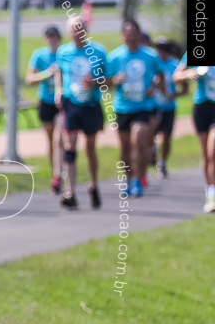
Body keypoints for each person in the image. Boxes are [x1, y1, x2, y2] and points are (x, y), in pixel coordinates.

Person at [53, 15, 107, 209]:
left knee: (90, 148)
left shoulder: (98, 52)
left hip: (91, 105)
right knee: (70, 147)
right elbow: (58, 71)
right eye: (74, 29)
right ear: (68, 32)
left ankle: (93, 184)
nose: (77, 33)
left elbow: (108, 81)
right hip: (71, 104)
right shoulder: (63, 52)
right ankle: (71, 191)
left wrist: (95, 83)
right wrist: (58, 91)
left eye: (80, 28)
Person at [107, 18, 164, 197]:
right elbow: (106, 82)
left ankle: (140, 178)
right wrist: (116, 80)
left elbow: (161, 76)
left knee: (138, 140)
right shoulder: (115, 57)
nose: (130, 37)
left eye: (134, 34)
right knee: (125, 147)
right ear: (123, 36)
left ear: (139, 35)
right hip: (123, 107)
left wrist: (154, 88)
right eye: (127, 34)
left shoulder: (150, 56)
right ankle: (128, 179)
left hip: (144, 105)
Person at [173, 52, 215, 213]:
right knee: (206, 153)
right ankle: (210, 192)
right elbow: (176, 76)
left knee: (213, 151)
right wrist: (191, 73)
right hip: (203, 106)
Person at [26, 26, 64, 194]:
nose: (51, 39)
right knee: (51, 141)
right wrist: (47, 74)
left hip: (62, 103)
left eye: (54, 36)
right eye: (48, 36)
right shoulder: (39, 55)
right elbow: (30, 79)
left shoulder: (65, 54)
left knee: (59, 139)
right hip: (45, 101)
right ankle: (55, 173)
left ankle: (59, 173)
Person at [153, 38, 187, 179]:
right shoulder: (152, 63)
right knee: (150, 134)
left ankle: (162, 162)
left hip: (168, 106)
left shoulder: (174, 65)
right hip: (153, 106)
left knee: (166, 137)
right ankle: (152, 151)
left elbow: (184, 89)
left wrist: (175, 94)